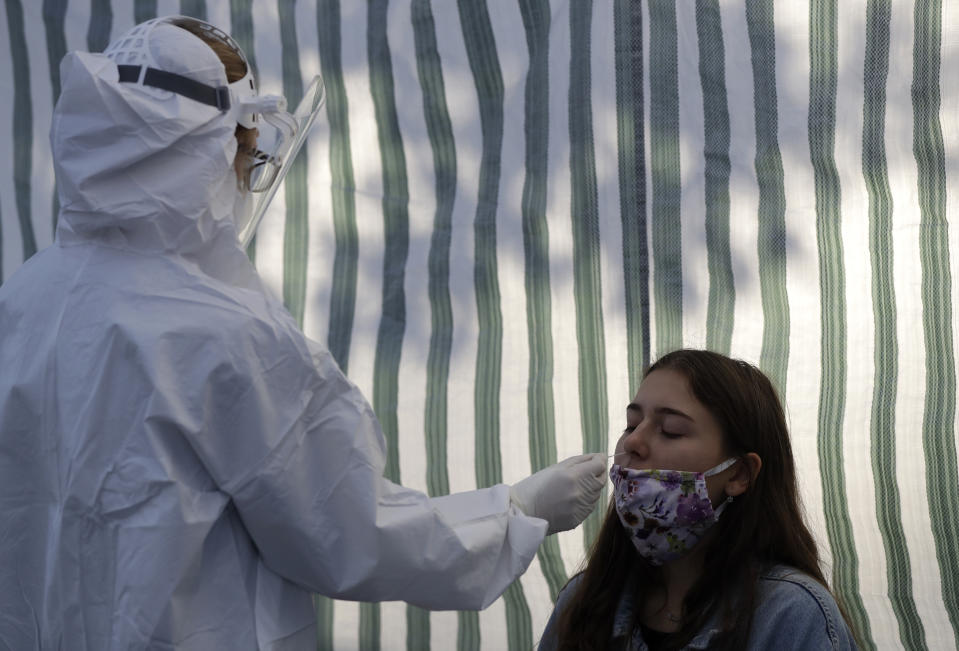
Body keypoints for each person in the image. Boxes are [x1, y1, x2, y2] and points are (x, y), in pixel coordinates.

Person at [0, 16, 607, 650]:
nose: (246, 175)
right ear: (209, 149)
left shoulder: (26, 296)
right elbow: (350, 533)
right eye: (248, 152)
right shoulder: (225, 333)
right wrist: (516, 511)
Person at [538, 349, 859, 650]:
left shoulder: (792, 614)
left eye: (671, 430)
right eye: (632, 424)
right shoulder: (583, 601)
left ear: (739, 474)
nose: (633, 441)